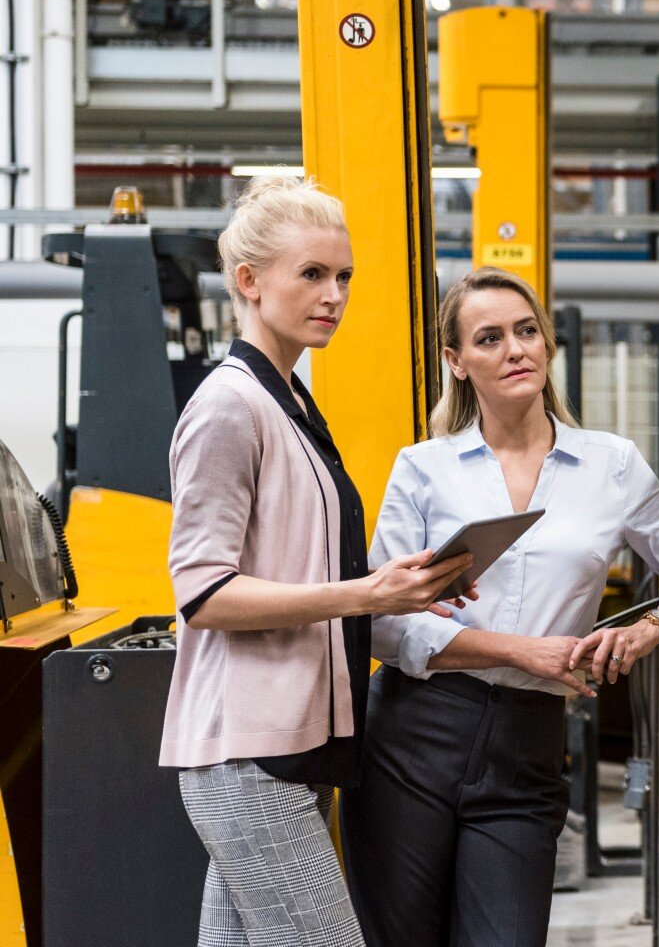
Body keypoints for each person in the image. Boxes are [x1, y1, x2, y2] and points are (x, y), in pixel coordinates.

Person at [341, 266, 659, 947]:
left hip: (529, 744)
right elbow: (382, 621)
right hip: (413, 736)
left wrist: (652, 627)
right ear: (456, 362)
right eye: (489, 338)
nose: (515, 348)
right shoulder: (424, 467)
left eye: (527, 331)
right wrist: (522, 650)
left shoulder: (611, 465)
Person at [160, 176, 477, 947]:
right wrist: (363, 595)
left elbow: (306, 559)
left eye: (343, 277)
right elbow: (202, 591)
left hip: (295, 744)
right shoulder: (229, 406)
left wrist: (402, 591)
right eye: (311, 274)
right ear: (249, 282)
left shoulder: (290, 402)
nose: (333, 294)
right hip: (250, 754)